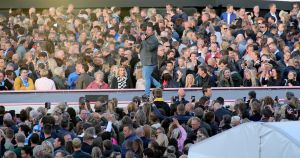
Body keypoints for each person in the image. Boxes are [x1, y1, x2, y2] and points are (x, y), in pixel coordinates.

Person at [140, 22, 161, 96]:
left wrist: (143, 40)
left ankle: (147, 94)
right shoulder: (148, 37)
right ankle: (158, 85)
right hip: (145, 61)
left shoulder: (154, 39)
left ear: (153, 31)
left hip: (149, 62)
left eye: (149, 30)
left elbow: (149, 48)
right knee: (147, 76)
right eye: (147, 30)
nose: (147, 31)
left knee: (147, 78)